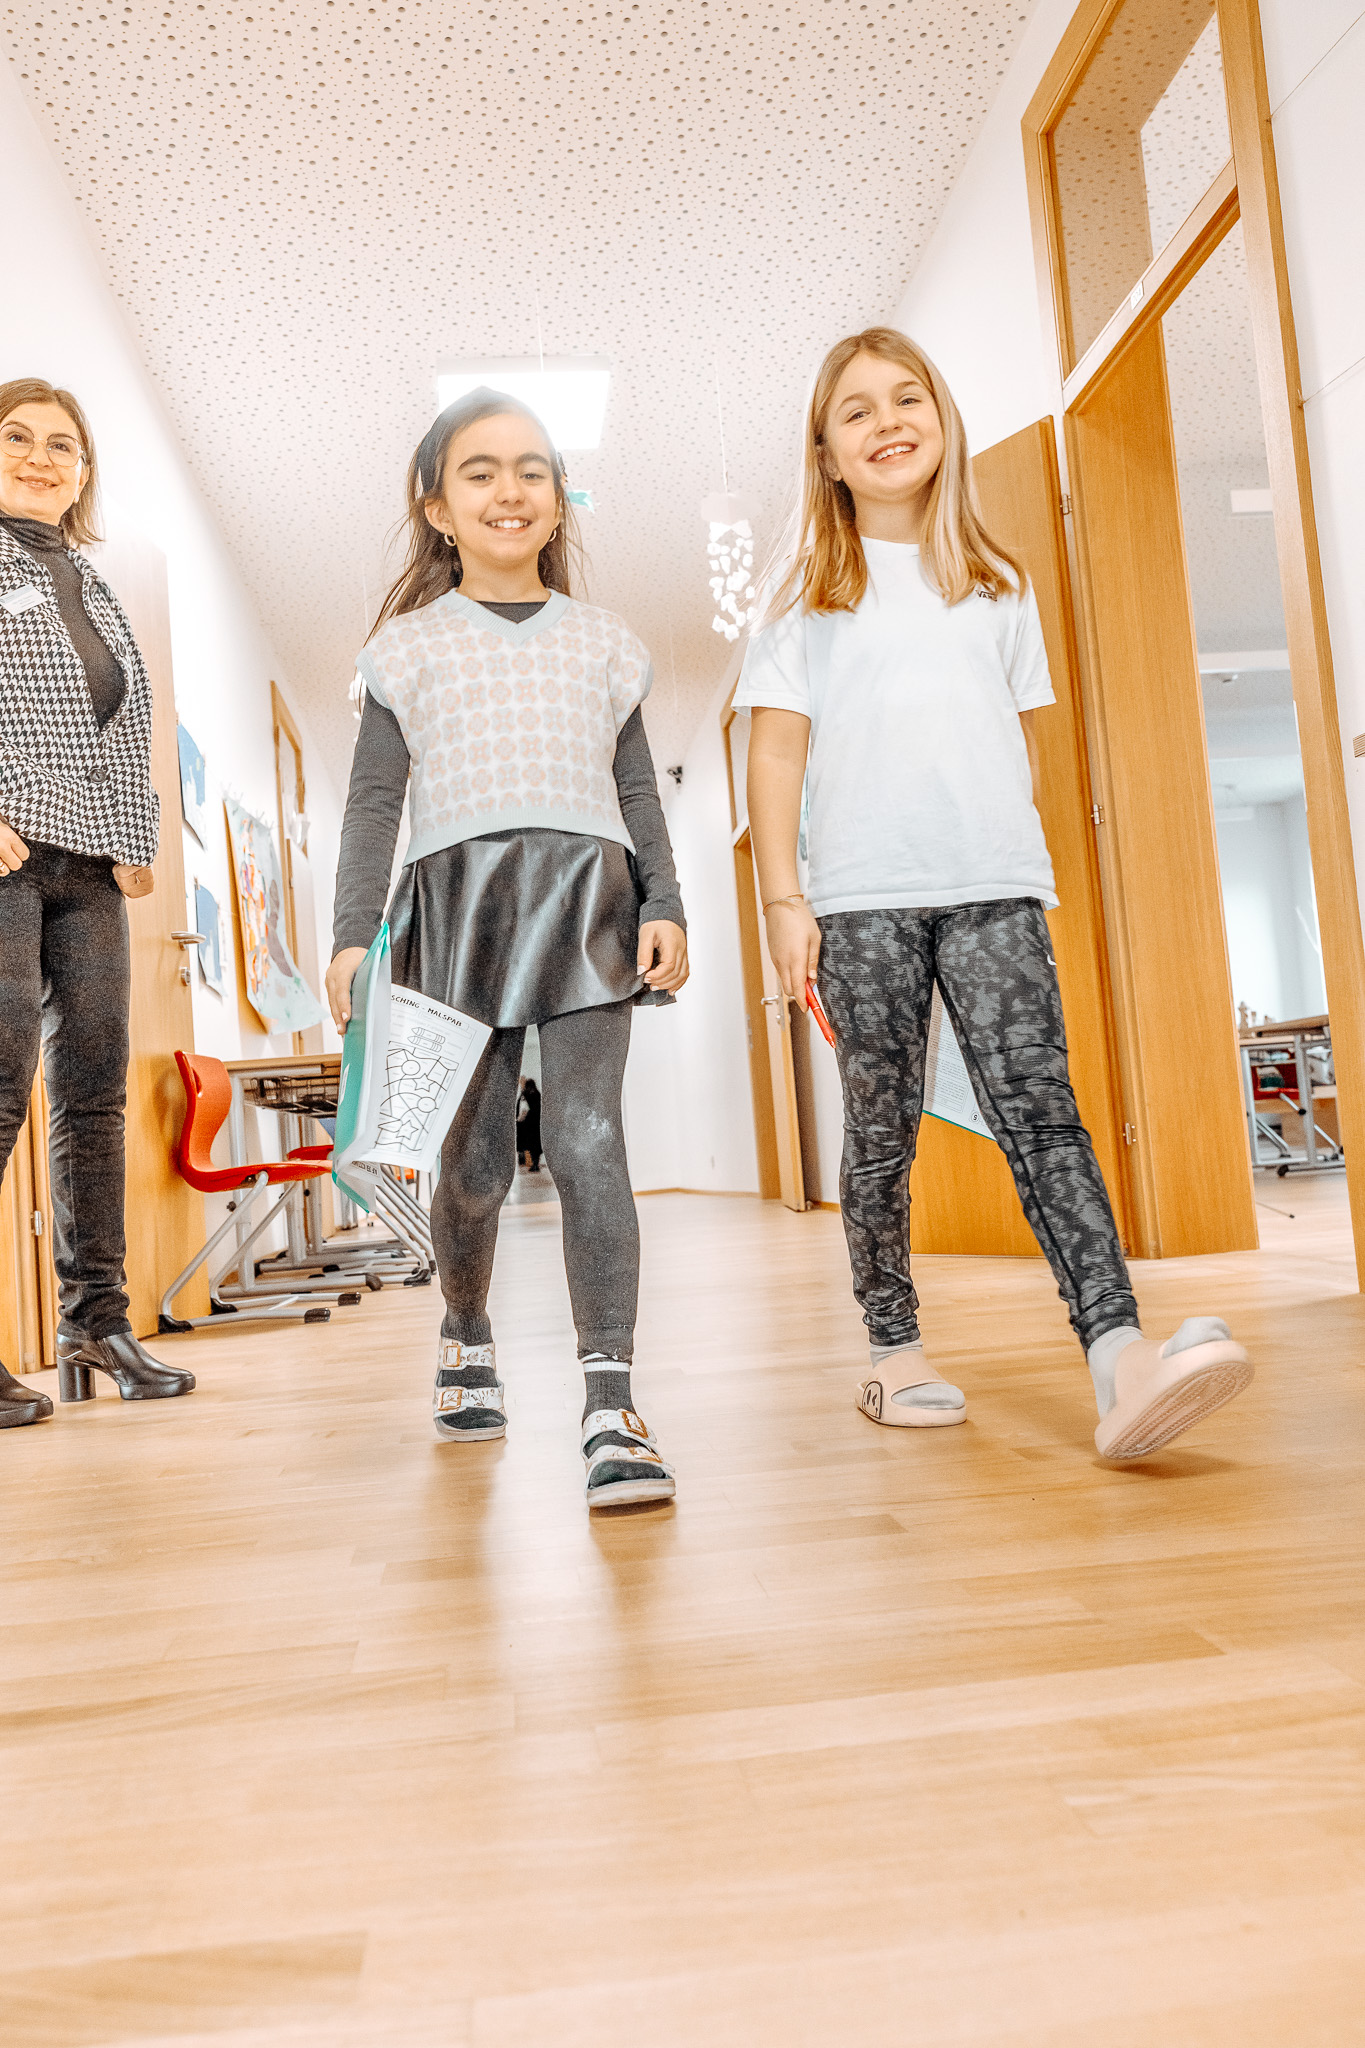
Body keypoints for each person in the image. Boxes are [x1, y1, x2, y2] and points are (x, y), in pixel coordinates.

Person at [737, 328, 1252, 1463]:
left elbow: (1017, 744)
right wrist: (784, 901)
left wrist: (1021, 862)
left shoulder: (999, 582)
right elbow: (772, 754)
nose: (886, 423)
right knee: (881, 1133)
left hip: (995, 892)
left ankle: (1119, 1355)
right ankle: (893, 1349)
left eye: (906, 399)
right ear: (825, 453)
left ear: (944, 420)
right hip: (860, 903)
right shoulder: (803, 598)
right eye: (856, 411)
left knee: (1043, 1115)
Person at [327, 388, 687, 1508]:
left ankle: (611, 1401)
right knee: (475, 1164)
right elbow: (373, 806)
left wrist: (666, 901)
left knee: (587, 1141)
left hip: (588, 899)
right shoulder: (403, 651)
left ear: (559, 499)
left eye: (532, 469)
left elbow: (637, 792)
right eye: (479, 471)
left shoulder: (607, 643)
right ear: (437, 507)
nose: (509, 489)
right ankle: (465, 1330)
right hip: (457, 907)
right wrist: (351, 934)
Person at [0, 376, 196, 1426]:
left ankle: (97, 1321)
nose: (40, 458)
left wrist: (134, 839)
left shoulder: (93, 584)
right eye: (17, 437)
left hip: (88, 869)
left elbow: (124, 722)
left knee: (94, 1093)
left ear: (83, 475)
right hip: (5, 853)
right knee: (1, 1082)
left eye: (62, 446)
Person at [516, 1076, 542, 1172]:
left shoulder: (525, 1094)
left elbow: (521, 1108)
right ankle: (536, 1164)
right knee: (536, 1145)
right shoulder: (538, 1094)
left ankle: (532, 1164)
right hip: (537, 1123)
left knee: (530, 1145)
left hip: (528, 1123)